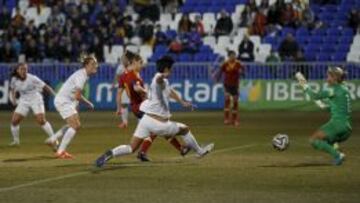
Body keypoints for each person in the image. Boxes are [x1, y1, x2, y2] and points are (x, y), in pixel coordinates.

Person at [95, 56, 214, 167]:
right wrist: (163, 75)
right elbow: (159, 79)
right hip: (159, 123)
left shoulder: (163, 82)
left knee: (131, 147)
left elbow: (170, 91)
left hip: (146, 120)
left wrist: (182, 102)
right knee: (185, 129)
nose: (171, 71)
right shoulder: (158, 78)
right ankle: (200, 151)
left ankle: (109, 154)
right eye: (170, 69)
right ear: (167, 69)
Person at [119, 54, 190, 161]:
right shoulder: (132, 75)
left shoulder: (124, 75)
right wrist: (147, 92)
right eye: (140, 63)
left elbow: (119, 92)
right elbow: (136, 88)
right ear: (133, 62)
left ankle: (180, 149)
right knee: (159, 126)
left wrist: (118, 107)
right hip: (141, 106)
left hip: (137, 106)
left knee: (160, 127)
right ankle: (143, 152)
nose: (142, 65)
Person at [45, 54, 98, 159]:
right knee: (75, 125)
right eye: (92, 64)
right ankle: (60, 151)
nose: (95, 66)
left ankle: (53, 139)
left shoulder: (83, 75)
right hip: (64, 101)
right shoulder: (82, 76)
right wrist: (88, 103)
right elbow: (77, 95)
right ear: (86, 65)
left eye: (95, 64)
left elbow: (75, 94)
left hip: (67, 101)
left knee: (73, 124)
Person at [297, 67, 352, 165]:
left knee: (314, 140)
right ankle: (337, 149)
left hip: (337, 125)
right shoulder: (344, 88)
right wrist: (321, 104)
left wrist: (305, 86)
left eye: (329, 76)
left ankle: (337, 155)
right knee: (328, 139)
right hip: (347, 128)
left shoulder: (333, 89)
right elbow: (331, 104)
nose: (327, 78)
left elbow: (315, 96)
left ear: (334, 78)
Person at [9, 63, 57, 148]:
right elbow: (12, 89)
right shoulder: (14, 79)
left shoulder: (32, 78)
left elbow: (46, 87)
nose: (24, 71)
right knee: (14, 121)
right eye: (22, 69)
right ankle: (16, 141)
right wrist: (13, 99)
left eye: (25, 69)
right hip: (24, 101)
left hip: (36, 99)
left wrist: (56, 96)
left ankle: (54, 139)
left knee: (41, 120)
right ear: (17, 70)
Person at [217, 51, 245, 126]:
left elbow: (243, 72)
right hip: (227, 85)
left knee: (235, 102)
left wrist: (242, 72)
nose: (233, 57)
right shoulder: (225, 63)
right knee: (227, 99)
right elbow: (220, 72)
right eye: (232, 55)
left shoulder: (238, 63)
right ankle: (226, 119)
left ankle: (234, 120)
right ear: (229, 56)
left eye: (234, 55)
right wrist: (217, 80)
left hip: (235, 85)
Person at [114, 51, 135, 128]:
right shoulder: (120, 67)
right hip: (124, 88)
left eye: (124, 58)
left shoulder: (133, 66)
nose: (122, 59)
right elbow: (117, 76)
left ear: (128, 59)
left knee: (138, 105)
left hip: (133, 87)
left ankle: (142, 121)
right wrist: (115, 84)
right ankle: (124, 122)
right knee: (124, 104)